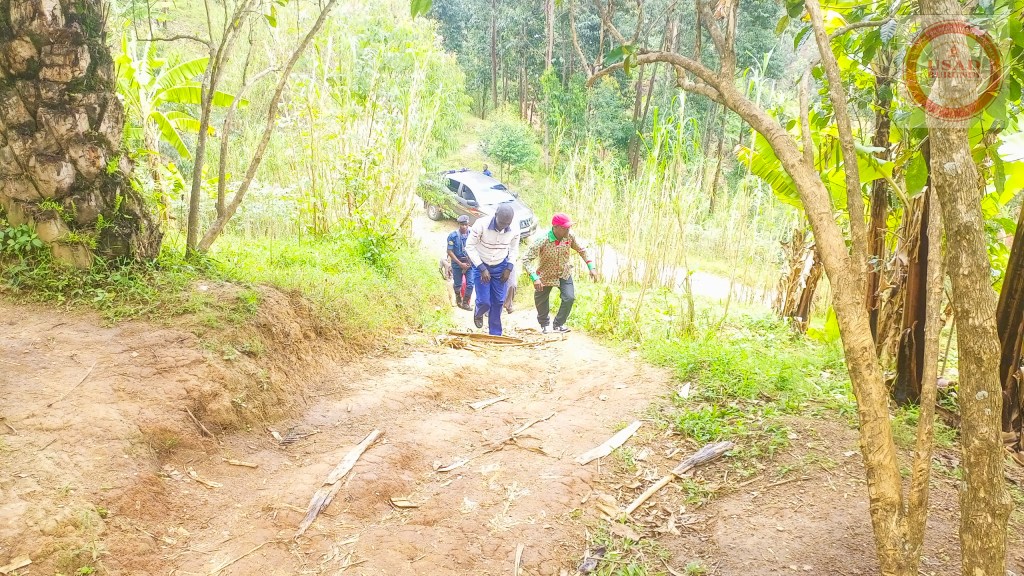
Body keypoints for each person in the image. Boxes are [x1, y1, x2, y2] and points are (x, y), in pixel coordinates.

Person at [522, 212, 597, 334]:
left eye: (569, 227)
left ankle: (558, 324)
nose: (568, 229)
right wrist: (535, 278)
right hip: (545, 274)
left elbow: (582, 250)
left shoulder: (569, 237)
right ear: (555, 227)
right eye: (564, 228)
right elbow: (526, 260)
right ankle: (544, 324)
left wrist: (591, 267)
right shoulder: (542, 240)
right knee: (541, 299)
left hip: (564, 273)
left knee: (569, 298)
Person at [466, 204, 519, 335]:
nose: (503, 227)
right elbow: (469, 246)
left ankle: (495, 333)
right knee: (485, 302)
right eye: (501, 223)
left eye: (507, 224)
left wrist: (509, 267)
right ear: (495, 216)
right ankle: (479, 312)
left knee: (499, 301)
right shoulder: (481, 224)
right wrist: (481, 267)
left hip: (501, 266)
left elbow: (514, 249)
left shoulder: (515, 228)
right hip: (481, 264)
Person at [446, 215, 474, 310]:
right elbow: (449, 251)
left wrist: (470, 262)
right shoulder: (453, 236)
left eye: (466, 225)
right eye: (462, 225)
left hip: (469, 262)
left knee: (470, 284)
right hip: (457, 263)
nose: (464, 227)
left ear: (468, 224)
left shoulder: (472, 234)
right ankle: (458, 298)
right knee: (457, 284)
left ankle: (465, 303)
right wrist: (460, 263)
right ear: (459, 224)